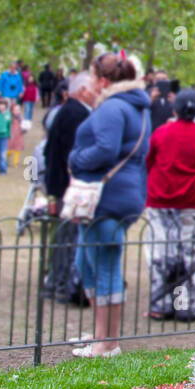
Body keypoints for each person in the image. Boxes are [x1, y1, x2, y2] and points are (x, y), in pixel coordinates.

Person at [68, 52, 151, 358]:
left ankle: (107, 342)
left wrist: (75, 159)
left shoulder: (113, 107)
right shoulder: (136, 106)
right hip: (126, 193)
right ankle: (102, 334)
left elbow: (105, 149)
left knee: (102, 263)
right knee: (90, 262)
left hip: (108, 197)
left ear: (103, 80)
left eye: (92, 76)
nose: (89, 82)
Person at [144, 89, 195, 321]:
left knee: (162, 253)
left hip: (162, 200)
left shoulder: (161, 133)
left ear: (174, 108)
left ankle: (161, 305)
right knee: (190, 253)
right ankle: (189, 307)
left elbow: (149, 162)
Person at [43, 72, 96, 306]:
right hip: (70, 186)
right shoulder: (77, 114)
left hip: (62, 184)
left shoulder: (68, 111)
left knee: (65, 236)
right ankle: (63, 285)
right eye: (94, 88)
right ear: (83, 90)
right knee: (68, 238)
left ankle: (57, 282)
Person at [8, 103, 25, 168]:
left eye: (18, 110)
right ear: (12, 111)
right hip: (11, 135)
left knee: (17, 149)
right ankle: (5, 158)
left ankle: (15, 163)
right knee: (10, 150)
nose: (17, 111)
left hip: (19, 135)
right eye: (15, 110)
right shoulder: (10, 118)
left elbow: (24, 127)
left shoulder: (21, 119)